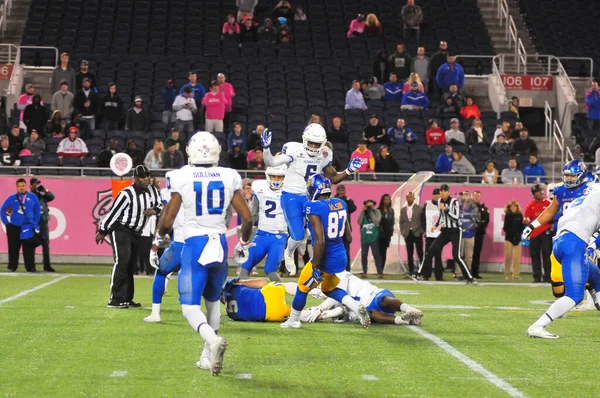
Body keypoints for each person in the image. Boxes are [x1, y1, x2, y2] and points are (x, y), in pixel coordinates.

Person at [153, 132, 252, 373]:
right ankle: (207, 356)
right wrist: (243, 243)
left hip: (195, 244)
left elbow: (168, 216)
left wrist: (160, 236)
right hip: (219, 244)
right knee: (212, 303)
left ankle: (212, 340)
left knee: (188, 306)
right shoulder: (229, 175)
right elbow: (247, 217)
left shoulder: (182, 176)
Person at [262, 124, 362, 275]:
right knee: (296, 235)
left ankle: (304, 243)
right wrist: (266, 149)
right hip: (292, 196)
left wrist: (348, 171)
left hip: (312, 197)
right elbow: (271, 162)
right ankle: (288, 254)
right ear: (304, 140)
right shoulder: (294, 150)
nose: (314, 147)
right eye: (311, 143)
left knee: (318, 231)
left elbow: (334, 177)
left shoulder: (325, 154)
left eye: (317, 144)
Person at [280, 174, 371, 329]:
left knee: (302, 287)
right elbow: (348, 237)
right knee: (328, 288)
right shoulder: (341, 203)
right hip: (340, 256)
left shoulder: (313, 206)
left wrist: (316, 264)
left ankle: (293, 320)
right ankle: (355, 306)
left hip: (325, 257)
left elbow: (320, 240)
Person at [526, 189, 600, 339]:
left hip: (560, 243)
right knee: (575, 295)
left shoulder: (581, 199)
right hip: (574, 243)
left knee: (596, 275)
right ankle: (537, 326)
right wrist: (593, 246)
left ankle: (596, 298)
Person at [522, 160, 592, 299]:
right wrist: (532, 225)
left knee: (587, 271)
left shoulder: (591, 190)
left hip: (584, 234)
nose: (569, 178)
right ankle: (560, 305)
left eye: (573, 176)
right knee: (555, 274)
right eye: (567, 175)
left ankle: (594, 298)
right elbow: (550, 211)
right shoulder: (560, 190)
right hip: (563, 235)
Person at [95, 165, 162, 308]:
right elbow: (113, 213)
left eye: (147, 176)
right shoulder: (127, 193)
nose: (146, 180)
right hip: (121, 230)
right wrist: (103, 231)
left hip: (136, 232)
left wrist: (155, 210)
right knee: (122, 261)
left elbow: (161, 204)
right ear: (135, 178)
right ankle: (115, 298)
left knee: (131, 264)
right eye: (142, 177)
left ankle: (127, 298)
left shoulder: (153, 191)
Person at [309, 271, 423, 325]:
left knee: (382, 300)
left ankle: (408, 309)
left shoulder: (339, 275)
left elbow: (339, 293)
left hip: (372, 294)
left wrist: (321, 308)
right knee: (372, 315)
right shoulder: (332, 296)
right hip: (366, 308)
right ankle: (406, 321)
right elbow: (347, 314)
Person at [237, 166, 288, 282]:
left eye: (279, 177)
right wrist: (244, 237)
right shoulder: (260, 189)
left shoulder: (289, 191)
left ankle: (280, 297)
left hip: (278, 236)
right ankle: (241, 296)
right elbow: (252, 215)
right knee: (245, 264)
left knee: (270, 269)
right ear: (267, 176)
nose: (276, 180)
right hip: (261, 235)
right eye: (273, 176)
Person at [144, 183, 186, 323]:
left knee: (161, 272)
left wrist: (155, 245)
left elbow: (165, 221)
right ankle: (209, 314)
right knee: (202, 276)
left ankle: (156, 313)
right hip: (203, 243)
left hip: (180, 243)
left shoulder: (172, 194)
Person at [419, 184, 476, 284]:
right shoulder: (440, 201)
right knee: (430, 250)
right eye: (441, 191)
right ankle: (423, 275)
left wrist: (445, 209)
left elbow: (456, 217)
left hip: (455, 231)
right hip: (445, 231)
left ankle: (470, 277)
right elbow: (441, 216)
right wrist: (436, 225)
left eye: (444, 191)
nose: (442, 192)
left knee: (457, 256)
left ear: (448, 192)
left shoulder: (454, 202)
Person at [1, 178, 41, 272]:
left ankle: (30, 267)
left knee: (29, 248)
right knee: (13, 247)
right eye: (19, 186)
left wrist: (34, 223)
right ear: (16, 187)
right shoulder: (11, 198)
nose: (21, 188)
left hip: (28, 226)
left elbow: (37, 211)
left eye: (23, 186)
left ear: (26, 186)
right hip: (14, 227)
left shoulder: (33, 197)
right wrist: (7, 223)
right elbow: (2, 210)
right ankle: (12, 267)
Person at [524, 184, 552, 283]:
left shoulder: (548, 203)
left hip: (545, 232)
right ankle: (537, 276)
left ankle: (548, 276)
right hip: (534, 233)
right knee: (534, 255)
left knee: (547, 255)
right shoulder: (530, 205)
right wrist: (526, 221)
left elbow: (553, 217)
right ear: (533, 194)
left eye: (538, 192)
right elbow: (526, 219)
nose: (537, 194)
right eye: (535, 193)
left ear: (542, 192)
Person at [28, 178, 54, 272]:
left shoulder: (42, 195)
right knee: (32, 244)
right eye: (35, 184)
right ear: (31, 186)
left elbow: (52, 196)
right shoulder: (29, 195)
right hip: (34, 223)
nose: (37, 185)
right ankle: (31, 266)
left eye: (38, 184)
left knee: (46, 244)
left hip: (43, 222)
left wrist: (45, 190)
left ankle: (47, 265)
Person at [417, 188, 443, 280]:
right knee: (428, 255)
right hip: (429, 234)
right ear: (433, 195)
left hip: (439, 235)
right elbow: (422, 218)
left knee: (438, 256)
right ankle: (426, 274)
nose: (437, 196)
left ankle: (439, 276)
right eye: (435, 194)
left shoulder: (443, 205)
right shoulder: (427, 205)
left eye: (438, 194)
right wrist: (425, 230)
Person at [399, 192, 423, 277]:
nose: (409, 199)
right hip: (408, 233)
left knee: (420, 251)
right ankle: (411, 270)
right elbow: (401, 222)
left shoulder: (419, 208)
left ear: (414, 198)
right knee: (409, 252)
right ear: (406, 198)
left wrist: (421, 231)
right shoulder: (403, 210)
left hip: (417, 233)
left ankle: (422, 270)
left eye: (411, 197)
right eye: (408, 197)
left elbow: (422, 220)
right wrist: (403, 231)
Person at [358, 199, 383, 278]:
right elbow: (359, 222)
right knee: (364, 255)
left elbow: (376, 221)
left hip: (374, 236)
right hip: (365, 237)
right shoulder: (363, 213)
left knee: (376, 254)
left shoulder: (377, 212)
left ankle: (379, 272)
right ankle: (364, 271)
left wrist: (371, 212)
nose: (369, 207)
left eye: (371, 205)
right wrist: (363, 212)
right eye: (368, 205)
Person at [335, 184, 357, 271]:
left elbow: (353, 209)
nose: (340, 192)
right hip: (335, 229)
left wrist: (347, 201)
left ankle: (347, 269)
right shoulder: (333, 200)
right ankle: (336, 268)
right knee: (335, 250)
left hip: (345, 229)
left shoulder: (348, 200)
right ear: (336, 191)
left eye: (342, 190)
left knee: (346, 250)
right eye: (339, 190)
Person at [458, 191, 479, 279]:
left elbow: (477, 221)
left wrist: (469, 227)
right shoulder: (458, 206)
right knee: (459, 255)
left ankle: (467, 273)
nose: (465, 197)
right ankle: (458, 273)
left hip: (470, 234)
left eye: (467, 195)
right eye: (464, 195)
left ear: (469, 196)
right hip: (459, 235)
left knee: (468, 256)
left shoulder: (474, 207)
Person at [503, 200, 524, 280]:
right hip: (509, 239)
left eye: (514, 206)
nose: (513, 208)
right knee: (508, 257)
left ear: (517, 207)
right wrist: (512, 234)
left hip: (518, 239)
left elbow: (521, 227)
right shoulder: (507, 215)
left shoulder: (520, 215)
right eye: (511, 206)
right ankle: (507, 274)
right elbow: (505, 228)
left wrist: (518, 235)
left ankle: (516, 274)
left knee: (517, 258)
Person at [471, 191, 489, 279]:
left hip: (479, 234)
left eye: (478, 196)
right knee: (468, 254)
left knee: (477, 254)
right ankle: (467, 272)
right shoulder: (469, 208)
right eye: (475, 196)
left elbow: (486, 220)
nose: (477, 198)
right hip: (470, 233)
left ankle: (475, 272)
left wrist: (479, 225)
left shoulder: (484, 209)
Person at [376, 194, 395, 272]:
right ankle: (378, 269)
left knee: (384, 253)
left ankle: (381, 270)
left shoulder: (391, 211)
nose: (387, 201)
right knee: (378, 252)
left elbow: (392, 222)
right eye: (385, 199)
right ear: (382, 200)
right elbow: (377, 223)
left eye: (388, 199)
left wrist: (390, 233)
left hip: (387, 235)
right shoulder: (378, 210)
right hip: (379, 234)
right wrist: (381, 232)